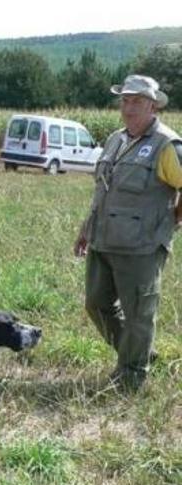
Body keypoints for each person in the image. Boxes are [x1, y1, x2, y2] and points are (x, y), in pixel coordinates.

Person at [74, 74, 182, 391]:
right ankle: (140, 352)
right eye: (125, 100)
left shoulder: (166, 144)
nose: (129, 107)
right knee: (96, 304)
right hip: (103, 240)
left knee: (138, 314)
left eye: (137, 101)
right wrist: (86, 228)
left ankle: (132, 377)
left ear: (152, 105)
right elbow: (103, 191)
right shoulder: (115, 140)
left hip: (142, 246)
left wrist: (172, 221)